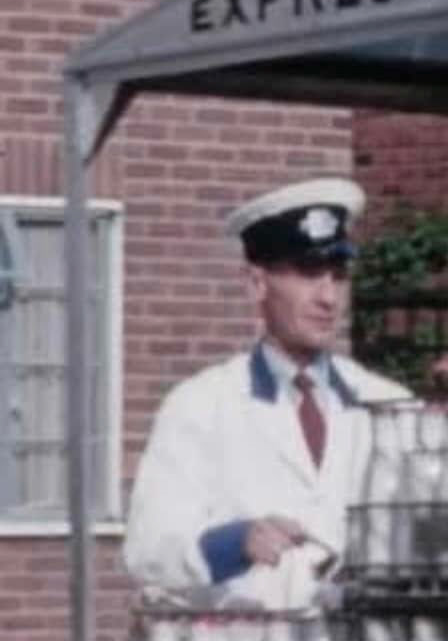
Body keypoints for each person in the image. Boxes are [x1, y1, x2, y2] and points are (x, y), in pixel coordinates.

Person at [123, 176, 406, 608]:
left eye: (339, 275)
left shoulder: (391, 405)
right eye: (309, 274)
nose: (329, 297)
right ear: (257, 284)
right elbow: (149, 550)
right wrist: (237, 542)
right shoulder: (201, 405)